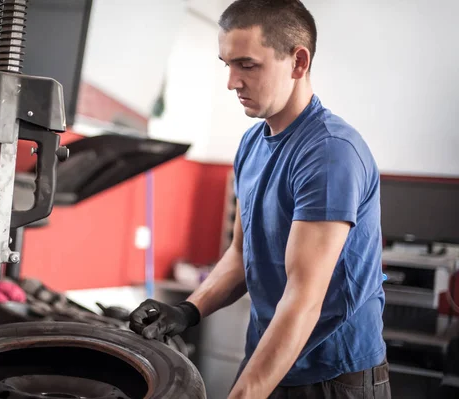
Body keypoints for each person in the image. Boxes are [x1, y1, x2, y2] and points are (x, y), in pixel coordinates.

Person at [129, 0, 391, 398]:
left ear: (298, 62)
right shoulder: (252, 144)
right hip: (270, 358)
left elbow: (303, 299)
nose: (232, 82)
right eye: (227, 64)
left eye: (247, 65)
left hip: (333, 377)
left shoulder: (329, 152)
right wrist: (188, 310)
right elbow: (240, 253)